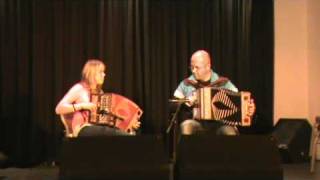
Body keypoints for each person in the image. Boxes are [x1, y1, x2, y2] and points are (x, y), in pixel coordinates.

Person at [173, 50, 255, 135]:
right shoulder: (187, 83)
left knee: (229, 132)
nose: (193, 70)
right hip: (197, 123)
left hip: (221, 124)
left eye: (197, 67)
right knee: (187, 126)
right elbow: (173, 104)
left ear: (208, 66)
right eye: (192, 67)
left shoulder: (223, 83)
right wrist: (186, 101)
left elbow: (239, 102)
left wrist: (248, 110)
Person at [55, 59, 140, 137]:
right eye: (101, 72)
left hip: (98, 127)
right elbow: (58, 109)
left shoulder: (100, 92)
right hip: (83, 128)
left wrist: (128, 123)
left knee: (124, 133)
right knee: (112, 133)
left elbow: (106, 117)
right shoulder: (79, 88)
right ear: (92, 73)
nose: (104, 74)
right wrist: (82, 106)